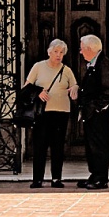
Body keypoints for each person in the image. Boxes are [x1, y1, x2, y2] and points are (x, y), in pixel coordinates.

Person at [23, 39, 79, 188]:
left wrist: (75, 89)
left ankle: (56, 178)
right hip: (42, 112)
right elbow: (26, 88)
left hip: (61, 112)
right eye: (56, 52)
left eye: (61, 52)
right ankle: (37, 179)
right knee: (40, 145)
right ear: (49, 52)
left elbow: (74, 85)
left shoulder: (66, 70)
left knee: (58, 146)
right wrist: (38, 92)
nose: (58, 55)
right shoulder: (38, 67)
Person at [69, 34, 109, 190]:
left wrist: (96, 109)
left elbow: (108, 91)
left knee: (99, 146)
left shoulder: (103, 64)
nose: (80, 52)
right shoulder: (93, 64)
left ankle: (100, 178)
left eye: (82, 49)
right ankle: (94, 174)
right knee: (91, 146)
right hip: (90, 112)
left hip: (97, 114)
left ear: (89, 49)